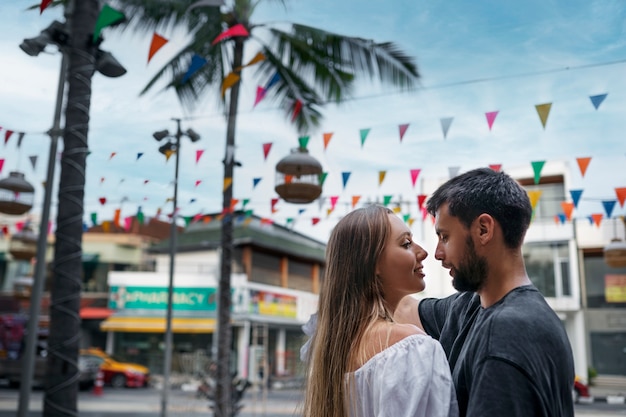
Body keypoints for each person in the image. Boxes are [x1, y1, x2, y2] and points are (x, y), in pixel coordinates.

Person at [395, 168, 575, 417]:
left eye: (444, 237)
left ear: (483, 229)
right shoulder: (473, 306)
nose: (437, 253)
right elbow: (403, 308)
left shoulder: (506, 332)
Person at [302, 205, 458, 417]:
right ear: (371, 261)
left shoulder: (326, 350)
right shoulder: (412, 348)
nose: (423, 252)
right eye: (406, 244)